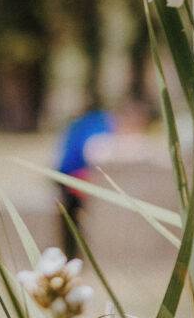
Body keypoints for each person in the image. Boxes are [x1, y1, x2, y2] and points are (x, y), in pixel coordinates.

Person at [54, 95, 148, 259]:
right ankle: (71, 256)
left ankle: (73, 256)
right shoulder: (100, 125)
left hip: (73, 172)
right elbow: (92, 151)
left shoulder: (99, 120)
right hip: (71, 173)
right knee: (73, 220)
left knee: (74, 220)